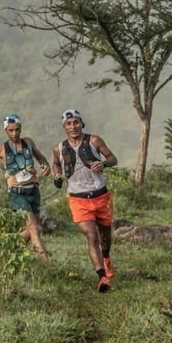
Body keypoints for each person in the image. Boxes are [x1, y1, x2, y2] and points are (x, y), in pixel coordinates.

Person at [51, 108, 118, 292]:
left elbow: (113, 158)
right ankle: (102, 278)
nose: (73, 127)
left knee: (105, 235)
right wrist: (57, 176)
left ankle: (106, 257)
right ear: (64, 127)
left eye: (76, 122)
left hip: (101, 195)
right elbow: (56, 163)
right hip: (78, 199)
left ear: (82, 123)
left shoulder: (94, 140)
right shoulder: (59, 148)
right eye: (68, 124)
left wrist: (103, 163)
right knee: (91, 235)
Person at [0, 114, 52, 262]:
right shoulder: (0, 149)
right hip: (16, 193)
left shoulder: (28, 142)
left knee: (31, 230)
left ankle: (5, 252)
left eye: (17, 129)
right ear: (5, 131)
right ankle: (46, 265)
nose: (14, 133)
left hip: (33, 190)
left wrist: (45, 165)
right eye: (10, 130)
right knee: (34, 228)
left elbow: (40, 157)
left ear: (20, 129)